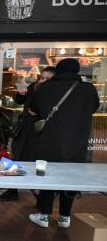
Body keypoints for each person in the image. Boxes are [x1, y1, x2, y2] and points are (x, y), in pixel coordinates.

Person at [28, 58, 99, 229]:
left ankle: (44, 215)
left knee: (47, 177)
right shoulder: (87, 89)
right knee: (71, 178)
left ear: (58, 70)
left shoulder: (47, 88)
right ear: (76, 70)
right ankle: (65, 217)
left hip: (50, 140)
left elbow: (35, 108)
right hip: (77, 141)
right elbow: (94, 107)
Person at [0, 66, 56, 202]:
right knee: (15, 156)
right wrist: (21, 94)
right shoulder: (35, 86)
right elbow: (20, 100)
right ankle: (12, 190)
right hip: (24, 128)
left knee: (33, 160)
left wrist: (40, 112)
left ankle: (38, 193)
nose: (43, 81)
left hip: (39, 130)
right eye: (42, 78)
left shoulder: (53, 92)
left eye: (48, 79)